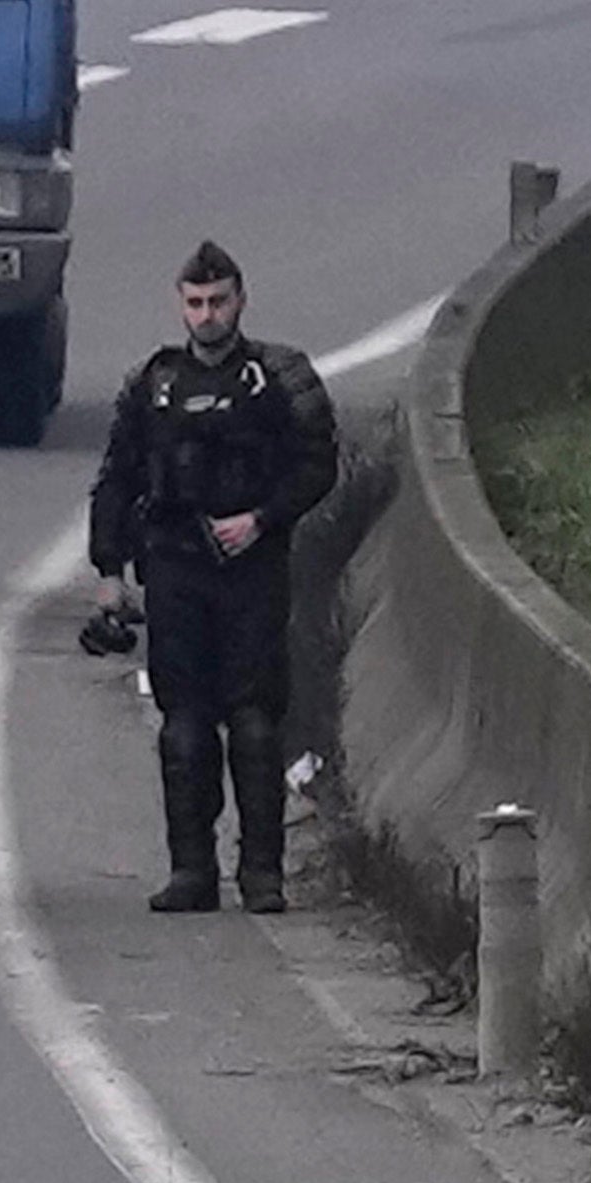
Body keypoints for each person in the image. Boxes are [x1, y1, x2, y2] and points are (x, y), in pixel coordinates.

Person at [83, 240, 342, 914]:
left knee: (256, 723)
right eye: (195, 303)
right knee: (184, 727)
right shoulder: (153, 383)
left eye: (218, 301)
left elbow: (317, 465)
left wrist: (260, 518)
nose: (207, 315)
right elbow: (117, 478)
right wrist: (108, 572)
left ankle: (263, 873)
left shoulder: (278, 377)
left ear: (240, 300)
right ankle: (190, 870)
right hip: (174, 566)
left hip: (252, 568)